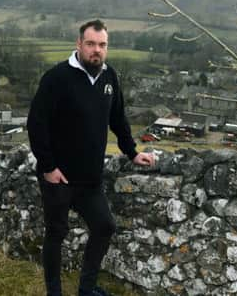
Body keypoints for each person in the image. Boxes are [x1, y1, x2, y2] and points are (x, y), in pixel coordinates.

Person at [28, 19, 155, 296]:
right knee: (56, 234)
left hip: (90, 178)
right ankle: (54, 292)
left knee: (104, 226)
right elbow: (36, 124)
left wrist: (132, 152)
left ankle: (86, 289)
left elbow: (118, 119)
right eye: (91, 44)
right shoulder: (57, 77)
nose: (96, 50)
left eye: (102, 45)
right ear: (79, 44)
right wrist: (48, 167)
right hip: (58, 177)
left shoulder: (109, 78)